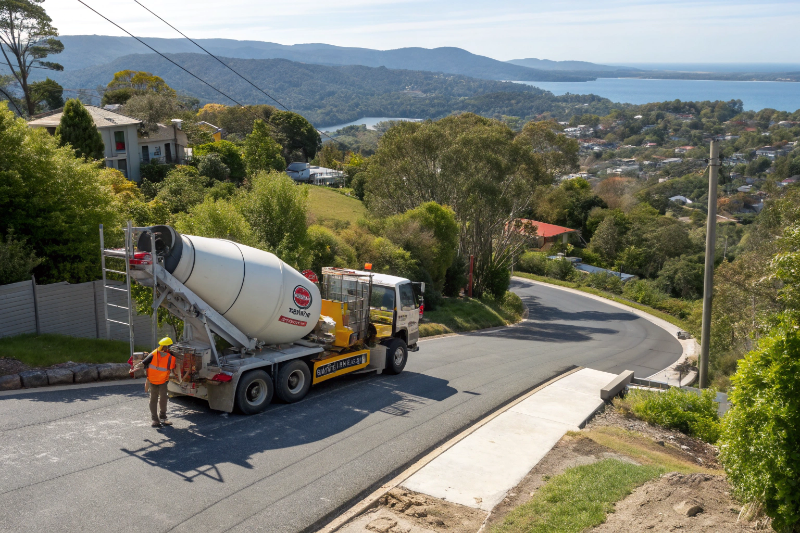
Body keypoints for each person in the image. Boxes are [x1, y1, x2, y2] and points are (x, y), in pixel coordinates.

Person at [134, 337, 177, 427]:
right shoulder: (170, 357)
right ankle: (161, 418)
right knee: (162, 399)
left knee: (155, 399)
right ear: (168, 347)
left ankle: (156, 419)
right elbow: (173, 369)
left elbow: (143, 363)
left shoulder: (154, 353)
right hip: (160, 381)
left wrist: (135, 366)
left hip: (155, 380)